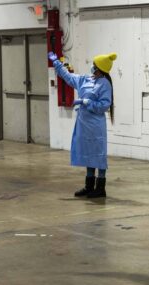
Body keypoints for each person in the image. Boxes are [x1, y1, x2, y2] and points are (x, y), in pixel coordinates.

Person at [47, 51, 117, 198]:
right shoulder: (85, 79)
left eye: (95, 65)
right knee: (88, 154)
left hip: (96, 126)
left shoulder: (105, 84)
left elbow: (104, 105)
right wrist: (56, 63)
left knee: (98, 155)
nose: (92, 67)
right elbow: (68, 77)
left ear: (100, 68)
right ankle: (89, 186)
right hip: (84, 124)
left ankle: (100, 187)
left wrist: (86, 102)